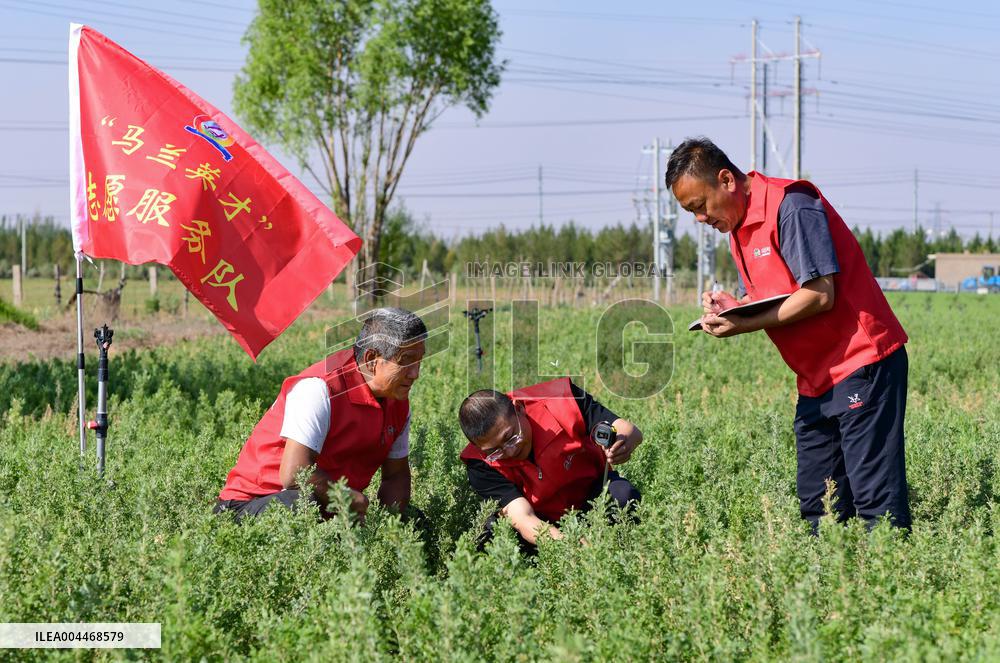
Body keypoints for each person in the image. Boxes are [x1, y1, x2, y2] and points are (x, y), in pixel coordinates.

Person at [665, 136, 911, 532]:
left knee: (875, 505)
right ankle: (833, 573)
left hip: (861, 362)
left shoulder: (791, 205)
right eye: (690, 212)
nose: (699, 219)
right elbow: (778, 290)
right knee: (819, 507)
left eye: (700, 205)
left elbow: (819, 294)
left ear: (726, 180)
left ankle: (888, 568)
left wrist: (743, 324)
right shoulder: (739, 228)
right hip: (816, 379)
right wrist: (735, 304)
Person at [214, 307, 426, 522]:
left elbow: (395, 476)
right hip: (249, 505)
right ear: (371, 359)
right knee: (302, 505)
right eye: (406, 360)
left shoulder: (396, 398)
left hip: (324, 506)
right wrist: (348, 499)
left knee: (412, 521)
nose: (415, 373)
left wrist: (386, 526)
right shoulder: (319, 388)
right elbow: (296, 474)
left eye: (419, 361)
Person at [458, 378, 643, 549]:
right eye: (495, 451)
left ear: (519, 409)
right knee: (492, 537)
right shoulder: (479, 463)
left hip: (592, 498)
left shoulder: (561, 399)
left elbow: (629, 431)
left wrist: (622, 445)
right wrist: (574, 548)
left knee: (622, 495)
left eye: (511, 437)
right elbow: (524, 518)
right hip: (541, 523)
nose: (510, 451)